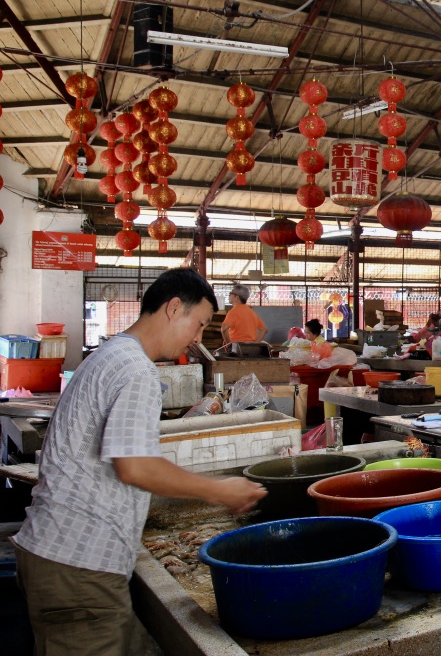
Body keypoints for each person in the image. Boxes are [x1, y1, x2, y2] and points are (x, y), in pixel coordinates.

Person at [12, 268, 266, 655]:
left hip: (68, 558)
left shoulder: (111, 355)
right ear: (173, 308)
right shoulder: (136, 370)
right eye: (198, 325)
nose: (198, 338)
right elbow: (136, 466)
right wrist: (220, 490)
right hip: (79, 567)